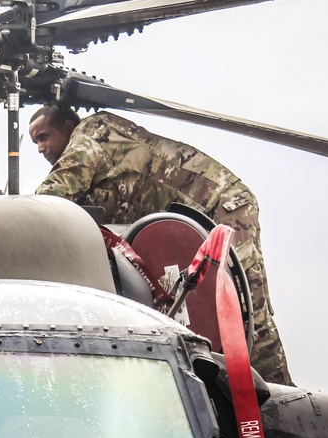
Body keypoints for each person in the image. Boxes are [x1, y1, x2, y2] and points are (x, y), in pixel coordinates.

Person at [29, 105, 293, 385]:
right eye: (35, 142)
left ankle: (282, 398)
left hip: (223, 209)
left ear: (69, 127)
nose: (41, 148)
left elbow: (52, 199)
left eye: (45, 137)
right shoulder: (99, 158)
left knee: (245, 306)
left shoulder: (90, 138)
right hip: (190, 226)